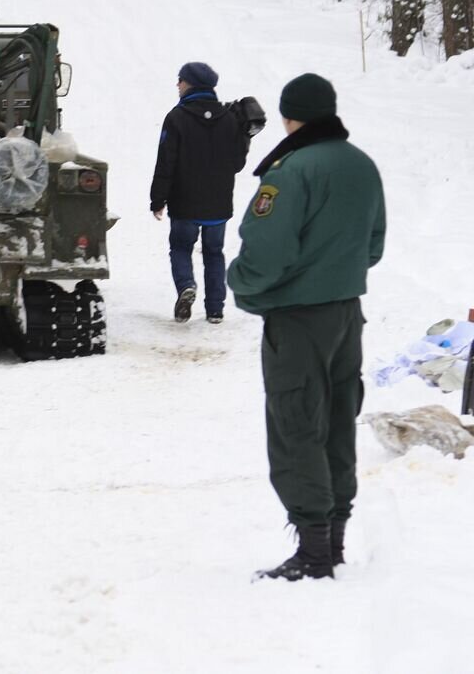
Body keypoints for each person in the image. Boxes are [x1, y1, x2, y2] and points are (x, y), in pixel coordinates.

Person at [227, 73, 385, 581]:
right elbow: (373, 245)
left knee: (297, 425)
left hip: (298, 319)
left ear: (289, 116)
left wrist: (243, 285)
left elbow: (266, 252)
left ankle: (314, 551)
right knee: (339, 421)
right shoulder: (362, 164)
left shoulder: (289, 171)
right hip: (346, 313)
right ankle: (334, 537)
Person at [149, 62, 251, 323]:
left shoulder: (177, 118)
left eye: (180, 80)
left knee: (181, 247)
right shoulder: (230, 118)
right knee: (214, 253)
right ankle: (215, 310)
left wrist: (157, 199)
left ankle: (186, 286)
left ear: (191, 84)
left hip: (185, 203)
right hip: (218, 204)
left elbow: (166, 162)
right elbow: (237, 164)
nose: (178, 85)